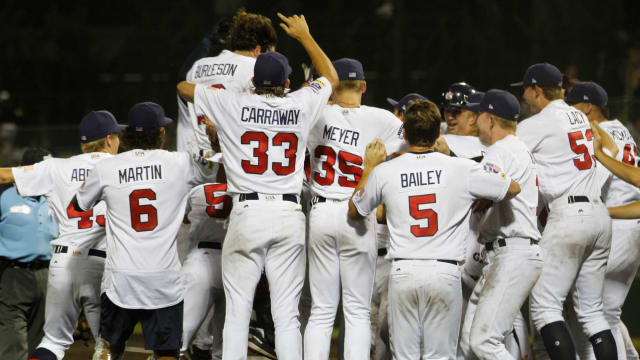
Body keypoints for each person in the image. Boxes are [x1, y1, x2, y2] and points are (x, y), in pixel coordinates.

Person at [177, 12, 338, 360]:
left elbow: (183, 88)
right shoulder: (299, 103)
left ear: (254, 79)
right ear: (285, 82)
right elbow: (331, 78)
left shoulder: (234, 103)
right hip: (287, 212)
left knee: (237, 312)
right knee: (287, 314)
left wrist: (219, 90)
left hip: (247, 212)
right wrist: (306, 37)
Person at [348, 99, 521, 359]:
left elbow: (355, 210)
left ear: (404, 134)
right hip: (444, 271)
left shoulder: (386, 171)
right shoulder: (461, 168)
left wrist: (369, 167)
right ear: (438, 133)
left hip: (404, 271)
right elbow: (512, 188)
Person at [74, 102, 213, 360]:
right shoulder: (179, 163)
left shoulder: (106, 168)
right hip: (164, 277)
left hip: (120, 277)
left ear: (126, 134)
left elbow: (78, 205)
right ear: (161, 133)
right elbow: (214, 170)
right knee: (168, 352)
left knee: (109, 347)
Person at [514, 62, 617, 360]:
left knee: (545, 305)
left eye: (525, 91)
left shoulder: (537, 123)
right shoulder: (583, 118)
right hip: (598, 213)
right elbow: (607, 149)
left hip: (569, 214)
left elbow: (505, 156)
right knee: (592, 313)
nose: (524, 97)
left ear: (536, 89)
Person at [0, 112, 122, 360]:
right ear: (109, 140)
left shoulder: (56, 166)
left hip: (62, 263)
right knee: (107, 344)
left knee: (53, 341)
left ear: (82, 143)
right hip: (102, 263)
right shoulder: (119, 168)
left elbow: (4, 175)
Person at [303, 57, 403, 360]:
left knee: (321, 311)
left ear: (332, 87)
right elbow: (413, 144)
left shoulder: (315, 114)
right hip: (357, 213)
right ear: (363, 85)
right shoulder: (383, 119)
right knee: (357, 311)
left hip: (319, 212)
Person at [457, 89, 543, 360]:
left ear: (490, 119)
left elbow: (487, 186)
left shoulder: (500, 150)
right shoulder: (516, 149)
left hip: (513, 252)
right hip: (507, 253)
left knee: (484, 342)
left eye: (478, 114)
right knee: (469, 344)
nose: (475, 120)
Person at [565, 81, 640, 360]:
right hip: (628, 223)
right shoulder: (620, 129)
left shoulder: (600, 132)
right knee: (608, 312)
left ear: (588, 107)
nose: (568, 113)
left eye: (572, 106)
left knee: (593, 313)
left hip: (619, 230)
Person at [177, 9, 278, 156]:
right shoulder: (256, 69)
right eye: (269, 53)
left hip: (191, 165)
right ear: (257, 50)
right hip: (231, 167)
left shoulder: (197, 67)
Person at [0, 148, 57, 360]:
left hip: (47, 275)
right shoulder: (4, 195)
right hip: (13, 276)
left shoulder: (54, 198)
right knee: (13, 344)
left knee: (42, 343)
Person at [179, 176, 231, 360]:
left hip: (200, 262)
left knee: (179, 338)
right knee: (225, 349)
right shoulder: (243, 192)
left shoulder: (196, 191)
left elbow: (184, 218)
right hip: (233, 266)